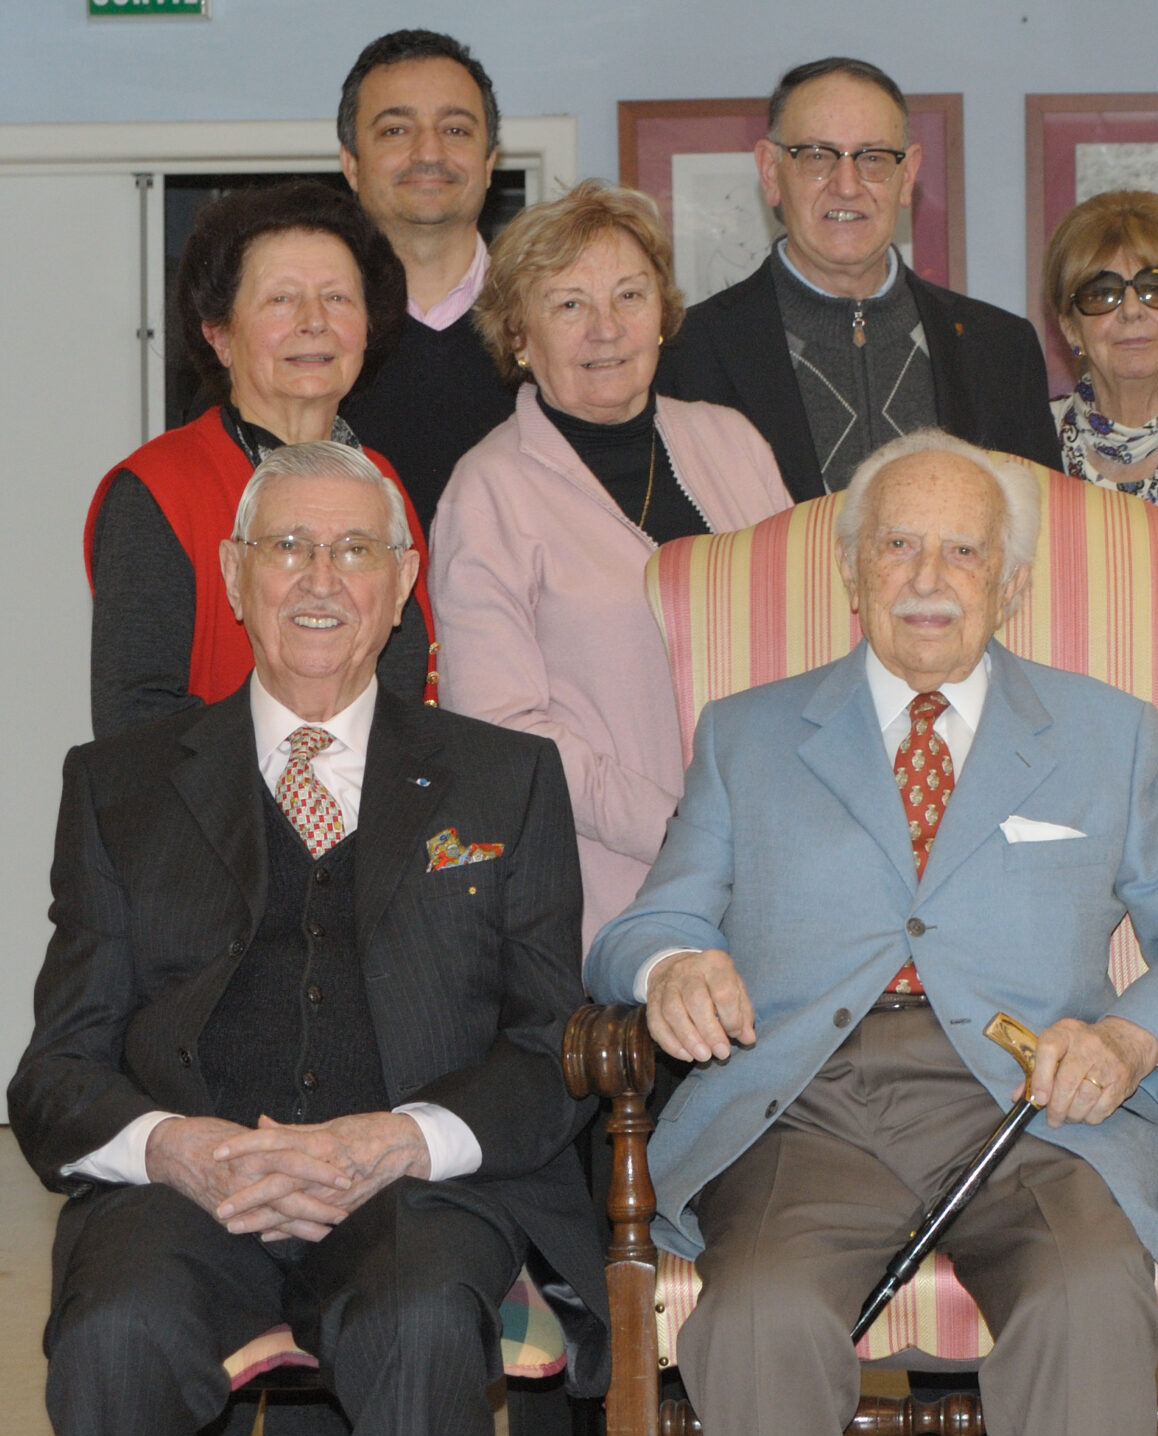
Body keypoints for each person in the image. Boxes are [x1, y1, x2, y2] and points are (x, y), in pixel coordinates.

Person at [584, 429, 1158, 1436]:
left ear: (1009, 585)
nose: (927, 578)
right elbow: (645, 925)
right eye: (898, 545)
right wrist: (674, 965)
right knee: (757, 1323)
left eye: (963, 552)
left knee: (1088, 1306)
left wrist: (1129, 1036)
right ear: (851, 571)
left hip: (1035, 1111)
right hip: (807, 1113)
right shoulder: (748, 736)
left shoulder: (1103, 734)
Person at [14, 441, 606, 1436]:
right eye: (288, 546)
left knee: (422, 1326)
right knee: (118, 1329)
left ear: (403, 582)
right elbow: (57, 1071)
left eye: (354, 551)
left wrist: (402, 1141)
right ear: (234, 574)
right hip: (184, 1199)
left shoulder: (507, 779)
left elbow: (548, 1046)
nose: (321, 579)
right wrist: (176, 1148)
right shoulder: (119, 786)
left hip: (414, 1198)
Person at [431, 181, 793, 950]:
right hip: (607, 898)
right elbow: (505, 734)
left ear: (661, 313)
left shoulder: (734, 442)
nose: (607, 328)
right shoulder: (486, 491)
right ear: (518, 335)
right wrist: (684, 831)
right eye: (569, 304)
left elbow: (810, 646)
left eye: (630, 295)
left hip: (779, 879)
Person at [87, 182, 436, 741]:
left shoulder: (381, 484)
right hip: (211, 798)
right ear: (220, 336)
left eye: (337, 298)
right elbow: (136, 723)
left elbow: (405, 695)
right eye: (281, 299)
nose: (314, 321)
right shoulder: (160, 489)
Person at [658, 58, 1059, 501]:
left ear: (907, 176)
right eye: (816, 156)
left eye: (873, 158)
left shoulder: (1002, 350)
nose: (846, 186)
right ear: (771, 172)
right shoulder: (685, 357)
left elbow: (1041, 531)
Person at [333, 28, 519, 535]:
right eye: (396, 130)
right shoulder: (303, 343)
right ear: (351, 164)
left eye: (456, 130)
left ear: (489, 162)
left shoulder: (551, 331)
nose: (429, 153)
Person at [1042, 190, 1158, 512]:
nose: (1131, 311)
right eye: (1102, 293)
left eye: (1157, 289)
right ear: (1071, 328)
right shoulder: (1027, 443)